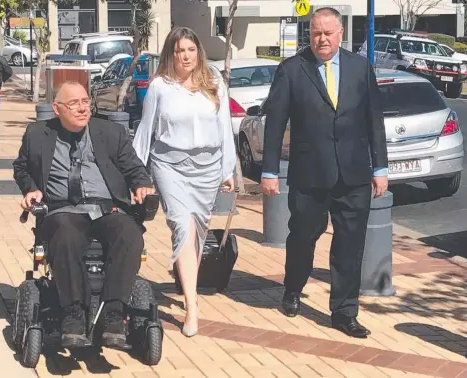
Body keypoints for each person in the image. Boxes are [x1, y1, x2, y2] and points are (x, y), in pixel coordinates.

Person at [260, 7, 388, 338]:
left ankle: (344, 311)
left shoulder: (361, 68)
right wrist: (270, 170)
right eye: (316, 33)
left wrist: (381, 167)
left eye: (328, 33)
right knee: (303, 236)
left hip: (354, 173)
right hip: (309, 174)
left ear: (341, 33)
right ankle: (293, 287)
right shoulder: (291, 70)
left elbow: (374, 119)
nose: (322, 39)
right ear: (310, 34)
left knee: (349, 244)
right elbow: (275, 124)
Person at [13, 80, 155, 349]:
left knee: (129, 234)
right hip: (62, 208)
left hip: (106, 206)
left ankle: (114, 315)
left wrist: (140, 184)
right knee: (66, 234)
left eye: (85, 102)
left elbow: (134, 168)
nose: (82, 108)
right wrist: (30, 189)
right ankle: (73, 315)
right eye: (73, 103)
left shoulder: (110, 133)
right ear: (57, 109)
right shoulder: (36, 134)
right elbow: (21, 168)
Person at [132, 27, 237, 338]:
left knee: (196, 234)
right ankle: (192, 306)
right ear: (171, 54)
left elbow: (224, 128)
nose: (186, 56)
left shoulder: (214, 81)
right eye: (180, 51)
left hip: (207, 168)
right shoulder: (160, 87)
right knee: (183, 226)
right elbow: (145, 131)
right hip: (170, 166)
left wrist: (227, 170)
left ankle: (184, 276)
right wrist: (135, 174)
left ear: (198, 52)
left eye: (191, 50)